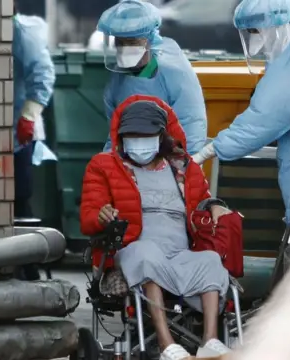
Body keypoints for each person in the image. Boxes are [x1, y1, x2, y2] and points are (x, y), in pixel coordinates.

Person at [79, 95, 232, 360]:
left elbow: (203, 200)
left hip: (179, 253)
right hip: (133, 250)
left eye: (145, 135)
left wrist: (215, 205)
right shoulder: (103, 166)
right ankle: (166, 344)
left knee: (210, 261)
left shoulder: (183, 167)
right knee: (145, 253)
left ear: (161, 136)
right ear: (121, 137)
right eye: (132, 136)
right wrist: (102, 215)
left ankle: (210, 340)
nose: (138, 142)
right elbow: (89, 216)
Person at [192, 0, 290, 226]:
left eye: (256, 31)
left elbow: (260, 121)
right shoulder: (282, 62)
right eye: (248, 32)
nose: (253, 39)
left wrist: (208, 151)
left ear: (277, 26)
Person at [96, 0, 207, 155]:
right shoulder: (117, 80)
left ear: (149, 40)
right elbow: (115, 134)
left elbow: (191, 124)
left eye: (132, 42)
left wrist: (182, 167)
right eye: (120, 42)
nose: (125, 48)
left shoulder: (172, 72)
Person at [13, 12, 57, 219]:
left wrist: (29, 115)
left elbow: (43, 73)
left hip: (18, 130)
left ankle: (25, 248)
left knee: (18, 193)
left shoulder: (22, 31)